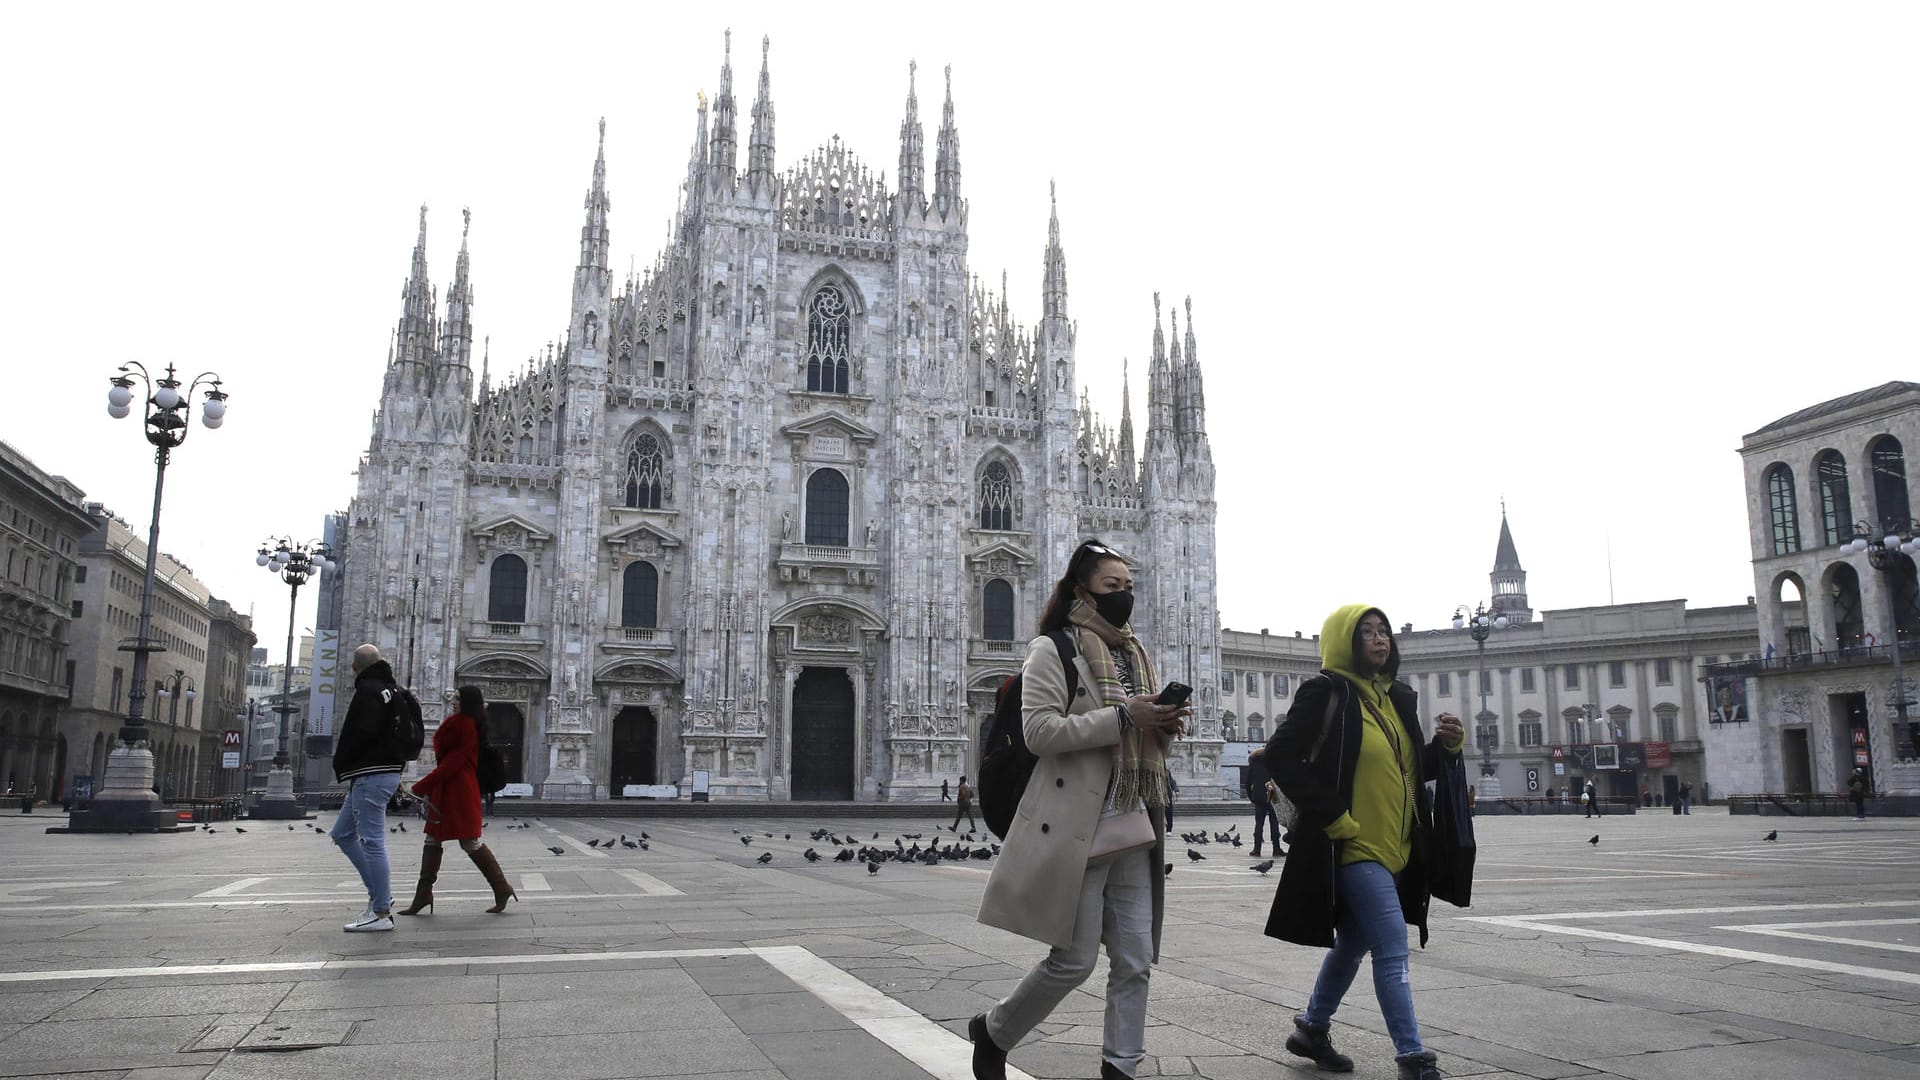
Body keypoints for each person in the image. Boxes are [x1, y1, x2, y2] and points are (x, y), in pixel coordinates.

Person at [973, 540, 1189, 1080]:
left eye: (1129, 587)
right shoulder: (1053, 649)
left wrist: (1160, 726)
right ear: (1082, 589)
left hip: (1134, 819)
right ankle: (994, 1031)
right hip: (1078, 823)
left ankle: (1121, 1067)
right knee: (1073, 961)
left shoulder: (1133, 653)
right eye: (1112, 586)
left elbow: (1136, 731)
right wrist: (1124, 719)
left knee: (1136, 959)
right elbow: (1039, 732)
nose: (1124, 597)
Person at [1264, 605, 1464, 1080]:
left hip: (1399, 848)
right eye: (1367, 633)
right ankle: (1412, 1056)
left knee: (1353, 941)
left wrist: (1446, 749)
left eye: (1384, 632)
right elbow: (1279, 755)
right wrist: (1334, 817)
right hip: (1354, 846)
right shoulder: (1327, 693)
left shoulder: (1397, 699)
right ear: (1344, 642)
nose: (1379, 640)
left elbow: (1410, 769)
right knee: (1392, 947)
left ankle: (1311, 1028)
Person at [400, 685, 517, 915]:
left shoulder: (465, 726)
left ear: (467, 703)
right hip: (447, 790)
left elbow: (452, 763)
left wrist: (421, 786)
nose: (452, 701)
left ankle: (501, 887)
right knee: (433, 839)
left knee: (469, 841)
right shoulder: (461, 724)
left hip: (459, 791)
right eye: (453, 698)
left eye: (456, 699)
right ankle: (423, 894)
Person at [331, 644, 410, 932]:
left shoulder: (368, 691)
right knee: (342, 834)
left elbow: (360, 733)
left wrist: (343, 761)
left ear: (355, 666)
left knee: (372, 841)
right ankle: (380, 894)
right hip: (381, 772)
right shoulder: (394, 690)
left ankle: (380, 912)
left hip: (370, 774)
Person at [1244, 748, 1285, 857]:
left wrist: (1251, 797)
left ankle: (1256, 849)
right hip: (1272, 795)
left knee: (1259, 824)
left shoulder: (1253, 764)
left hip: (1258, 798)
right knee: (1274, 823)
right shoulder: (1273, 762)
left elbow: (1247, 783)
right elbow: (1280, 779)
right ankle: (1276, 849)